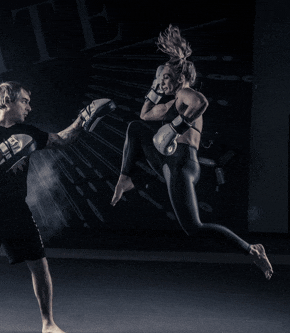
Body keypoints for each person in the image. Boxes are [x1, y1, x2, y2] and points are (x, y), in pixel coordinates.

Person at [0, 81, 115, 333]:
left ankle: (48, 324)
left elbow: (61, 140)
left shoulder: (27, 131)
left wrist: (82, 119)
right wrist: (2, 151)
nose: (29, 106)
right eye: (24, 101)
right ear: (7, 100)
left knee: (39, 265)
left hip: (17, 211)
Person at [110, 25, 273, 280]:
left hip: (182, 163)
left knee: (194, 228)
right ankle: (126, 177)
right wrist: (154, 88)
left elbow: (202, 103)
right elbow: (144, 114)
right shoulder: (170, 102)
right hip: (167, 161)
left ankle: (252, 250)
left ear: (179, 77)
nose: (161, 80)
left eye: (165, 77)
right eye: (160, 78)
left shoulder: (185, 94)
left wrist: (178, 125)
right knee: (136, 128)